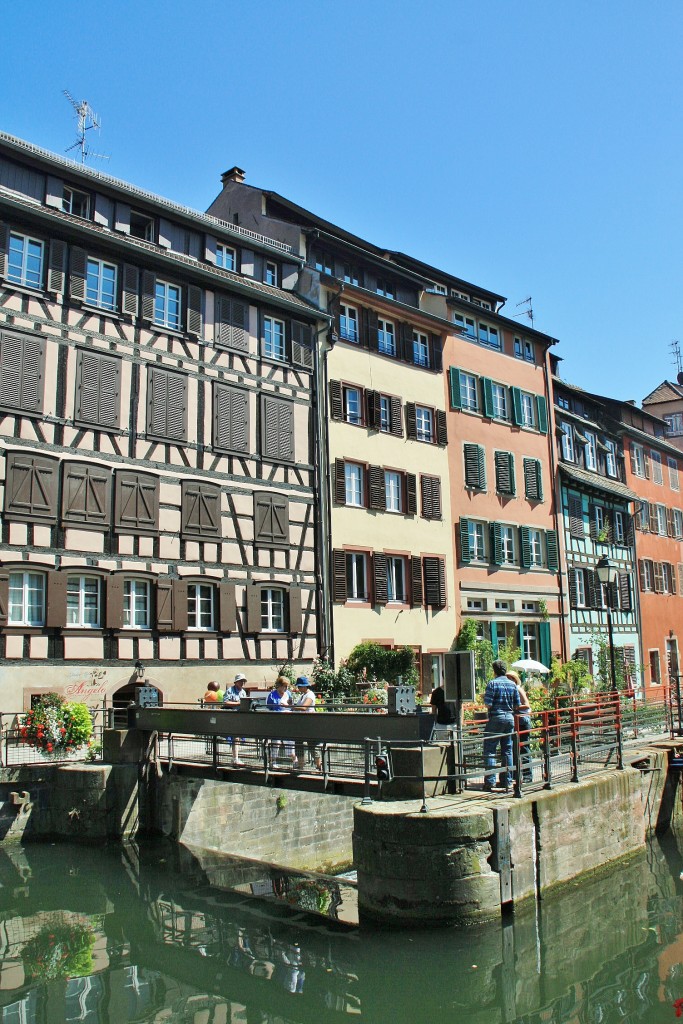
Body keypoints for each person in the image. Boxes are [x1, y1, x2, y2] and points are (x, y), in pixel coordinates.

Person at [482, 659, 521, 792]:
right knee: (507, 749)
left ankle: (490, 781)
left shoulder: (492, 684)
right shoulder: (512, 685)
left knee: (490, 749)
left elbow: (488, 704)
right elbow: (517, 705)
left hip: (496, 717)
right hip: (509, 718)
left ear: (494, 671)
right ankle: (506, 780)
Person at [507, 670, 533, 783]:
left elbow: (527, 705)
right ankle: (516, 774)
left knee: (523, 747)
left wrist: (515, 707)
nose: (508, 680)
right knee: (514, 748)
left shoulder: (518, 689)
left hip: (522, 720)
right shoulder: (511, 690)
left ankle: (528, 776)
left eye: (510, 678)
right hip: (516, 720)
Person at [293, 676, 322, 771]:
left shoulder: (310, 695)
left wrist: (290, 707)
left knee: (312, 745)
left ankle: (319, 766)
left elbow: (304, 708)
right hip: (301, 724)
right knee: (299, 743)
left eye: (299, 686)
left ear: (304, 686)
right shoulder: (303, 695)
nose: (298, 688)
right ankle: (301, 766)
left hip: (309, 723)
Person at [266, 676, 295, 767]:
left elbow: (292, 706)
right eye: (284, 686)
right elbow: (269, 707)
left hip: (287, 721)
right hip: (276, 720)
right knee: (276, 742)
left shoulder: (288, 694)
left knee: (289, 742)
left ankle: (295, 762)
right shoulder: (272, 695)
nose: (285, 688)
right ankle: (272, 762)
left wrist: (287, 706)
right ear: (279, 685)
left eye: (286, 686)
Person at [223, 673, 248, 766]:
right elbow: (225, 702)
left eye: (243, 681)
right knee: (235, 737)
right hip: (231, 716)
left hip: (240, 717)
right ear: (236, 682)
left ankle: (235, 758)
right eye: (241, 681)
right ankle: (235, 758)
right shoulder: (230, 690)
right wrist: (237, 704)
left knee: (237, 737)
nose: (242, 683)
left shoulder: (243, 692)